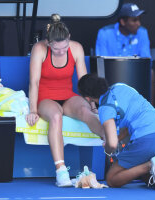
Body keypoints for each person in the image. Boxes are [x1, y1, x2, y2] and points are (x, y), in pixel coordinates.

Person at [25, 14, 105, 187]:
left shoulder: (76, 48)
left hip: (67, 95)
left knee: (86, 111)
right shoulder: (39, 49)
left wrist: (92, 104)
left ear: (69, 39)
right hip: (45, 97)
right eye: (56, 50)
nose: (61, 52)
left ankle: (109, 140)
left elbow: (83, 81)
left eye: (64, 48)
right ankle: (61, 171)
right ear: (48, 43)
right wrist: (32, 110)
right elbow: (34, 82)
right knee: (55, 116)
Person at [78, 74, 155, 191]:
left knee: (112, 179)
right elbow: (129, 123)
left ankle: (150, 165)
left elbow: (113, 144)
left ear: (88, 98)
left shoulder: (105, 108)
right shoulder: (121, 86)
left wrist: (107, 149)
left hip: (147, 142)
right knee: (143, 176)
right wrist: (117, 138)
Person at [95, 3, 155, 104]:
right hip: (111, 75)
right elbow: (100, 61)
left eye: (139, 19)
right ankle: (106, 111)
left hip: (135, 74)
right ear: (123, 22)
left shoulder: (142, 32)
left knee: (151, 73)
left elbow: (147, 60)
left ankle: (149, 112)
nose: (139, 24)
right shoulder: (105, 33)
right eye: (134, 20)